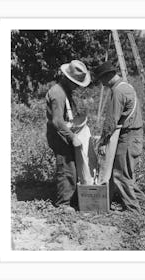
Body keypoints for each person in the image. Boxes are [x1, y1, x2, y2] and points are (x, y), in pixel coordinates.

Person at [94, 61, 145, 213]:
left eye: (102, 80)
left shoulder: (118, 92)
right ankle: (141, 200)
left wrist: (103, 142)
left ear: (108, 76)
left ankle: (132, 210)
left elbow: (111, 120)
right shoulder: (126, 86)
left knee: (120, 174)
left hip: (128, 136)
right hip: (134, 134)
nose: (102, 84)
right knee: (127, 172)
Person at [46, 60, 91, 208]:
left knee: (72, 166)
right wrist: (72, 137)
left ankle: (71, 197)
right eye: (75, 82)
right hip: (59, 136)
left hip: (64, 134)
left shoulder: (65, 91)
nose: (77, 86)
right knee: (66, 168)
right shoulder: (57, 93)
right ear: (67, 78)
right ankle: (63, 204)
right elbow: (57, 121)